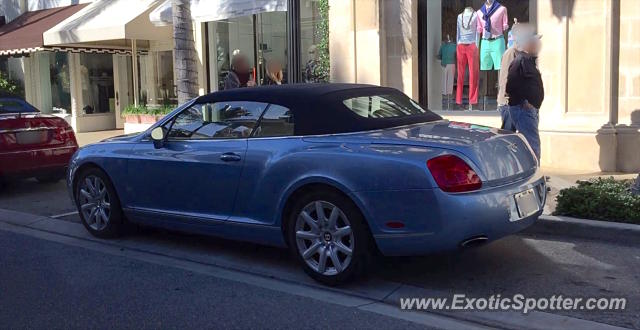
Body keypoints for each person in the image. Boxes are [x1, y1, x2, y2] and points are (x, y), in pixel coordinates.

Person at [506, 24, 543, 160]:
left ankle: (534, 171)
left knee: (532, 143)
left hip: (529, 110)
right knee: (532, 144)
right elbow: (510, 86)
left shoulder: (528, 61)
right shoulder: (519, 61)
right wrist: (525, 102)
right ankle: (534, 174)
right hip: (524, 110)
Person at [497, 23, 523, 132]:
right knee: (507, 138)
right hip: (509, 105)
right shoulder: (511, 53)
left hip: (518, 104)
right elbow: (506, 79)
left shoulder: (521, 53)